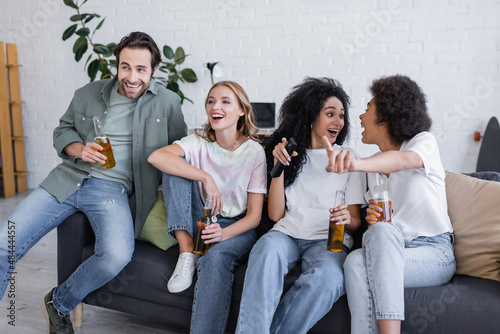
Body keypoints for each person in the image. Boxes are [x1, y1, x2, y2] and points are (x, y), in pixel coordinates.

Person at [0, 31, 187, 334]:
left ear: (153, 70)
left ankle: (58, 303)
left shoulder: (167, 102)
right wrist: (80, 149)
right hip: (67, 178)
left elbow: (180, 150)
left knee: (116, 255)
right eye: (125, 67)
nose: (132, 77)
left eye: (141, 69)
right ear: (117, 66)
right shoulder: (88, 93)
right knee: (4, 241)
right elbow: (63, 131)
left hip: (112, 191)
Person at [323, 75, 456, 334]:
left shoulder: (423, 143)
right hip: (391, 250)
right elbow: (382, 227)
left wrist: (356, 163)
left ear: (385, 117)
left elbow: (403, 161)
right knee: (355, 260)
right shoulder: (373, 166)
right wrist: (376, 220)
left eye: (367, 109)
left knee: (378, 237)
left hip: (433, 253)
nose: (360, 118)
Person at [235, 77, 366, 334]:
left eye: (341, 115)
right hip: (287, 234)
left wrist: (346, 220)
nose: (338, 121)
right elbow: (275, 214)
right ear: (311, 116)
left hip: (328, 241)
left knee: (329, 278)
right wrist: (278, 169)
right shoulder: (290, 153)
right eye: (330, 114)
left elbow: (355, 222)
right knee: (264, 251)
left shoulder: (350, 159)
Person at [148, 80, 267, 334]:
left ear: (241, 111)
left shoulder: (254, 153)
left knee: (214, 259)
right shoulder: (198, 140)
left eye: (225, 101)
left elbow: (255, 217)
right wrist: (205, 177)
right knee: (174, 167)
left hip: (236, 226)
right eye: (211, 101)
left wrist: (223, 234)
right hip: (200, 218)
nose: (216, 106)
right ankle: (186, 251)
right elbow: (156, 157)